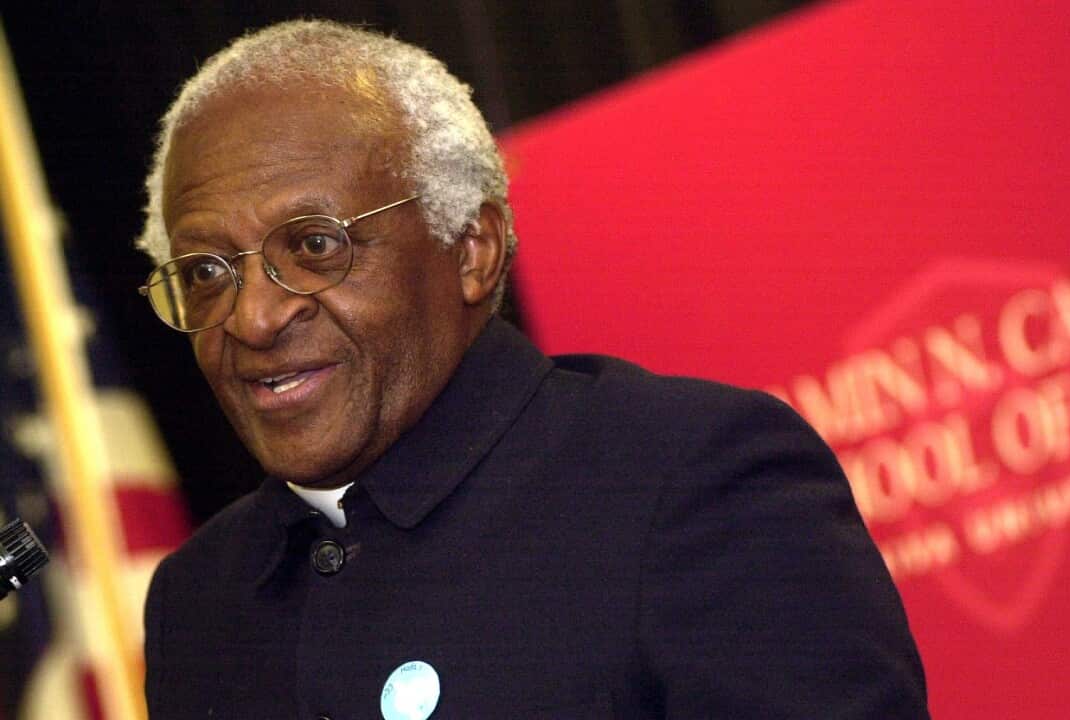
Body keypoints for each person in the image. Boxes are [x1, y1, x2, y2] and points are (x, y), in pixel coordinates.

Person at [136, 19, 928, 719]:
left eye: (313, 248)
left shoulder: (691, 478)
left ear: (471, 249)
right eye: (206, 272)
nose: (253, 318)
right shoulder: (196, 601)